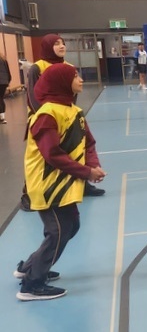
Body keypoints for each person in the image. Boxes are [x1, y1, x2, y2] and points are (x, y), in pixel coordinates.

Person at [16, 63, 106, 300]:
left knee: (71, 226)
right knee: (58, 231)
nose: (81, 79)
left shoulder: (73, 111)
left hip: (64, 183)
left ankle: (30, 266)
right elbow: (52, 155)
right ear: (61, 82)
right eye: (75, 76)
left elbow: (88, 142)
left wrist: (93, 164)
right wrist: (86, 172)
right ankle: (32, 284)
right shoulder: (46, 115)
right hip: (47, 184)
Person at [23, 34, 104, 208]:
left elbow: (70, 95)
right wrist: (50, 116)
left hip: (67, 118)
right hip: (48, 120)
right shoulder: (38, 67)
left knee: (76, 150)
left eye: (63, 43)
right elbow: (33, 96)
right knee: (42, 157)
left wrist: (70, 115)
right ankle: (29, 194)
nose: (61, 46)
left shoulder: (68, 66)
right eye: (56, 44)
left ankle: (83, 182)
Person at [0, 51, 10, 124]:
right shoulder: (3, 59)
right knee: (1, 98)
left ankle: (1, 118)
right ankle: (2, 117)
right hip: (4, 82)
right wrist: (7, 81)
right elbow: (8, 72)